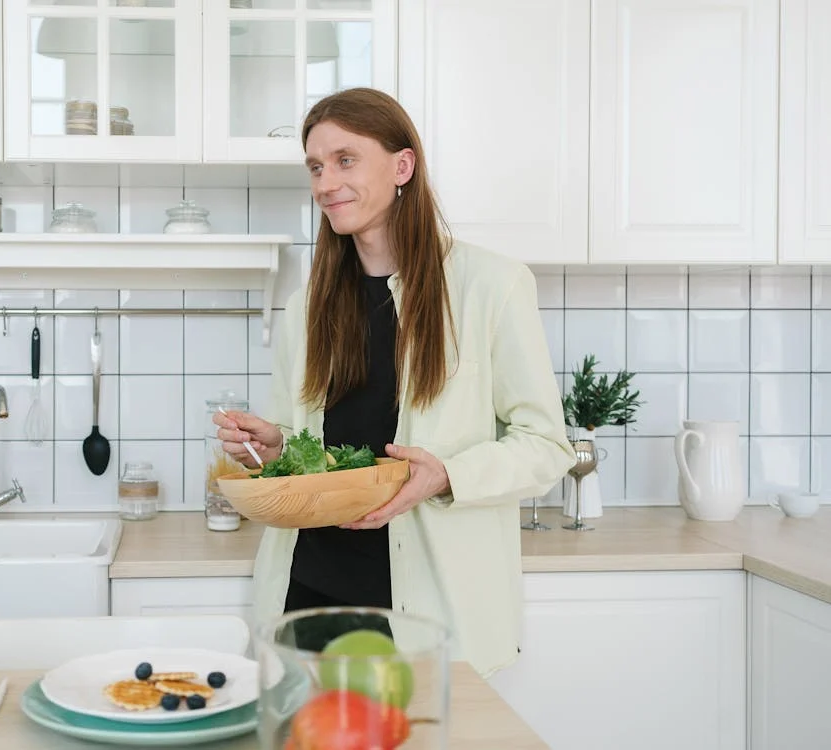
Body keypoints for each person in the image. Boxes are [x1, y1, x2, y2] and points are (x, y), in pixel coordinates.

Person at [213, 87, 575, 678]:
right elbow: (302, 443)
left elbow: (546, 444)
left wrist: (447, 475)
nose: (326, 183)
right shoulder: (307, 307)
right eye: (315, 166)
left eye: (345, 159)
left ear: (402, 166)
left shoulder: (493, 286)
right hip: (307, 595)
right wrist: (276, 448)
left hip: (426, 614)